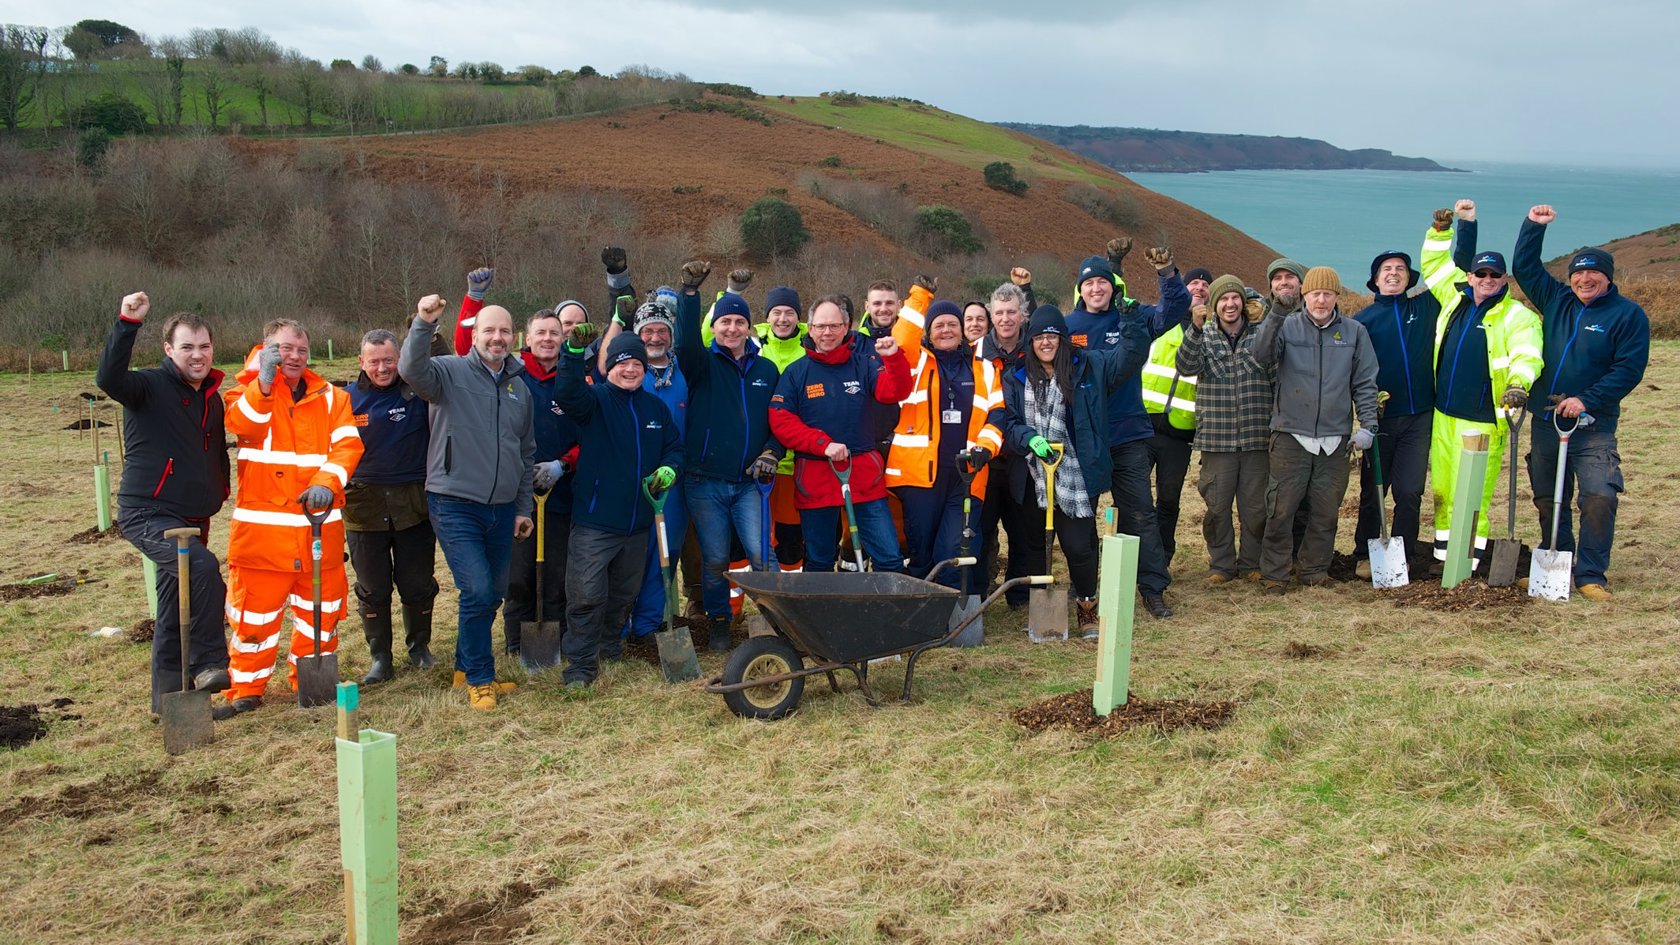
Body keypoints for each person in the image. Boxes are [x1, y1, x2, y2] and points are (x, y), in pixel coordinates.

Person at [219, 318, 365, 718]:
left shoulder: (333, 397)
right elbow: (243, 423)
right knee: (254, 619)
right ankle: (246, 688)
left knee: (321, 614)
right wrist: (264, 384)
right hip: (264, 540)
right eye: (285, 349)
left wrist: (326, 482)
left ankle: (312, 681)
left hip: (321, 532)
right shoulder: (243, 393)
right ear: (267, 350)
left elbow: (348, 447)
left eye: (301, 350)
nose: (294, 357)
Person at [97, 292, 233, 715]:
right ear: (169, 350)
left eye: (204, 346)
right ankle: (209, 662)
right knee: (202, 568)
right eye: (188, 347)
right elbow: (108, 378)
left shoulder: (212, 398)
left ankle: (170, 703)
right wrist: (127, 324)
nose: (198, 355)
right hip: (148, 512)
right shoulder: (147, 387)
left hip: (195, 516)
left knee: (177, 604)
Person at [399, 295, 535, 710]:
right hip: (455, 501)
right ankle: (480, 677)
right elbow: (410, 368)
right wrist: (424, 322)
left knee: (491, 591)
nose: (497, 338)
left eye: (504, 331)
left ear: (515, 337)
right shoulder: (448, 372)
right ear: (473, 336)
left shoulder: (519, 388)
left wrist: (523, 508)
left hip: (502, 507)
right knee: (476, 589)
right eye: (489, 331)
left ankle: (463, 666)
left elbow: (525, 452)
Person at [1513, 204, 1650, 600]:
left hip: (1593, 425)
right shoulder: (1556, 300)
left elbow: (1628, 370)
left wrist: (1586, 400)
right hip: (1545, 418)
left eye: (1594, 273)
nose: (1585, 278)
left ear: (1607, 278)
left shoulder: (1628, 316)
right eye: (1578, 272)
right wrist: (1533, 227)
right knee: (1547, 495)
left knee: (1599, 496)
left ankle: (1590, 574)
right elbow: (1525, 267)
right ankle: (1557, 563)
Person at [1000, 305, 1148, 636]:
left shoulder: (1090, 365)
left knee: (1078, 545)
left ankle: (1086, 604)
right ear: (1031, 342)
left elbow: (1130, 356)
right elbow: (1009, 422)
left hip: (1075, 472)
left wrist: (1131, 321)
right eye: (1039, 337)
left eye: (1052, 336)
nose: (1045, 342)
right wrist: (1029, 438)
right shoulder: (1016, 376)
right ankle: (1042, 608)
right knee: (1036, 543)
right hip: (1032, 473)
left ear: (1063, 340)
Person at [1063, 244, 1191, 617]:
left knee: (1139, 515)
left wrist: (1167, 273)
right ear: (1080, 290)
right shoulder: (1069, 327)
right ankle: (1084, 586)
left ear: (1113, 287)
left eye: (1103, 282)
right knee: (1081, 515)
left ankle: (1152, 589)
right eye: (1089, 284)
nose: (1096, 289)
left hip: (1128, 435)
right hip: (1082, 438)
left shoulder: (1132, 317)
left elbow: (1175, 310)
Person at [555, 324, 683, 686]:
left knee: (624, 593)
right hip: (597, 522)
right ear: (609, 368)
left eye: (637, 364)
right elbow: (567, 392)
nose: (630, 370)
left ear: (645, 369)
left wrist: (670, 468)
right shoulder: (594, 402)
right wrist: (572, 353)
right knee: (586, 595)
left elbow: (674, 447)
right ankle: (580, 665)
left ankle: (610, 645)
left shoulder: (655, 408)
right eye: (622, 364)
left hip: (638, 523)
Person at [1418, 202, 1544, 569]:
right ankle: (1445, 559)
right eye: (1481, 274)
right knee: (1442, 491)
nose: (1487, 280)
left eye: (1495, 275)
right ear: (1470, 276)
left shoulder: (1518, 316)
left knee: (1470, 495)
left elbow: (1527, 355)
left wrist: (1519, 385)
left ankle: (1467, 563)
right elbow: (1435, 266)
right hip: (1444, 414)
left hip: (1483, 419)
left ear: (1505, 280)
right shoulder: (1453, 298)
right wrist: (1442, 231)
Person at [674, 261, 783, 651]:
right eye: (725, 323)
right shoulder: (700, 364)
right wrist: (690, 294)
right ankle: (720, 624)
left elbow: (781, 419)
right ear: (715, 328)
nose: (732, 329)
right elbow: (685, 341)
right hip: (705, 481)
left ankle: (778, 622)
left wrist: (773, 450)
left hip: (751, 483)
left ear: (749, 328)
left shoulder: (767, 370)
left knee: (762, 555)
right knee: (716, 559)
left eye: (739, 322)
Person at [1253, 267, 1380, 594]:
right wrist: (1276, 314)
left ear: (1337, 296)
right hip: (1289, 436)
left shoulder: (1354, 332)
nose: (1321, 300)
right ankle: (1275, 575)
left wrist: (1367, 426)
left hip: (1335, 440)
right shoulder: (1287, 326)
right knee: (1280, 510)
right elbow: (1260, 356)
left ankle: (1314, 570)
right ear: (1304, 296)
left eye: (1327, 293)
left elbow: (1365, 383)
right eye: (1314, 294)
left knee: (1325, 512)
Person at [769, 295, 912, 573]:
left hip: (863, 476)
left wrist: (893, 359)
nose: (827, 333)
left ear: (847, 327)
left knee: (889, 557)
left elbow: (894, 392)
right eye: (821, 326)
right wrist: (822, 444)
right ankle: (821, 614)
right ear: (809, 328)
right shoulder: (796, 373)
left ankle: (887, 614)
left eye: (834, 326)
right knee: (819, 560)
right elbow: (780, 419)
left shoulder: (865, 363)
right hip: (815, 477)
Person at [887, 278, 1005, 587]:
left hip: (967, 476)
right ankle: (922, 612)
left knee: (956, 548)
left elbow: (998, 414)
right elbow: (900, 340)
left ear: (963, 329)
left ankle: (952, 614)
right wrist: (920, 296)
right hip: (920, 476)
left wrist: (985, 448)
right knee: (920, 549)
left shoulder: (984, 368)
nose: (946, 330)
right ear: (928, 332)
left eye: (952, 323)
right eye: (938, 325)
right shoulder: (914, 363)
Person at [1349, 233, 1452, 577]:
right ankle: (1364, 552)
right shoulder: (1362, 321)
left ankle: (1402, 554)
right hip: (1380, 419)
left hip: (1420, 415)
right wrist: (1365, 413)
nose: (1394, 273)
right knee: (1372, 489)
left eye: (1401, 269)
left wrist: (1459, 228)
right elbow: (1352, 370)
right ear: (1375, 279)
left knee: (1410, 491)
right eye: (1386, 269)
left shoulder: (1424, 307)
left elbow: (1458, 269)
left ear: (1410, 278)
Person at [344, 329, 438, 685]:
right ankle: (380, 657)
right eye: (374, 361)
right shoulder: (344, 400)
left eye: (389, 360)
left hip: (414, 506)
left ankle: (419, 648)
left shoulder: (420, 395)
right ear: (361, 362)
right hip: (363, 509)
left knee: (417, 583)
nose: (382, 368)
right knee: (373, 588)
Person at [1176, 276, 1273, 584]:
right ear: (1214, 306)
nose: (1230, 305)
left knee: (1256, 510)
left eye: (1235, 299)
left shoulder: (1261, 334)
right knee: (1217, 509)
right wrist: (1194, 327)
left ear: (1244, 303)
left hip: (1257, 437)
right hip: (1216, 440)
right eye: (1223, 300)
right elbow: (1185, 366)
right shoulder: (1203, 335)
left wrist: (1267, 310)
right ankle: (1221, 566)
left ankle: (1251, 564)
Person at [501, 307, 582, 665]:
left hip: (560, 492)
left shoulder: (573, 379)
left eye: (554, 333)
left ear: (562, 338)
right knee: (518, 572)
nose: (548, 339)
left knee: (556, 571)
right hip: (517, 493)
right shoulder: (510, 378)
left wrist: (563, 464)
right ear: (527, 339)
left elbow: (590, 434)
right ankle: (515, 640)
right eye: (541, 333)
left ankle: (554, 638)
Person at [975, 275, 1035, 606]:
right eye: (999, 313)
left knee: (1023, 530)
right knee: (982, 533)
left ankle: (1021, 595)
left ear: (1022, 314)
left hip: (1024, 458)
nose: (1005, 319)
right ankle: (980, 595)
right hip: (988, 458)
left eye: (1011, 312)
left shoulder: (1035, 349)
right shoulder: (977, 353)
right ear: (991, 315)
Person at [756, 285, 810, 574]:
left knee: (790, 539)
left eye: (789, 312)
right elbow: (707, 335)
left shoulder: (809, 350)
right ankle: (735, 610)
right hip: (758, 462)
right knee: (757, 536)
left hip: (795, 464)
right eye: (776, 312)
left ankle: (788, 602)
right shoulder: (755, 348)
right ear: (768, 316)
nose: (783, 318)